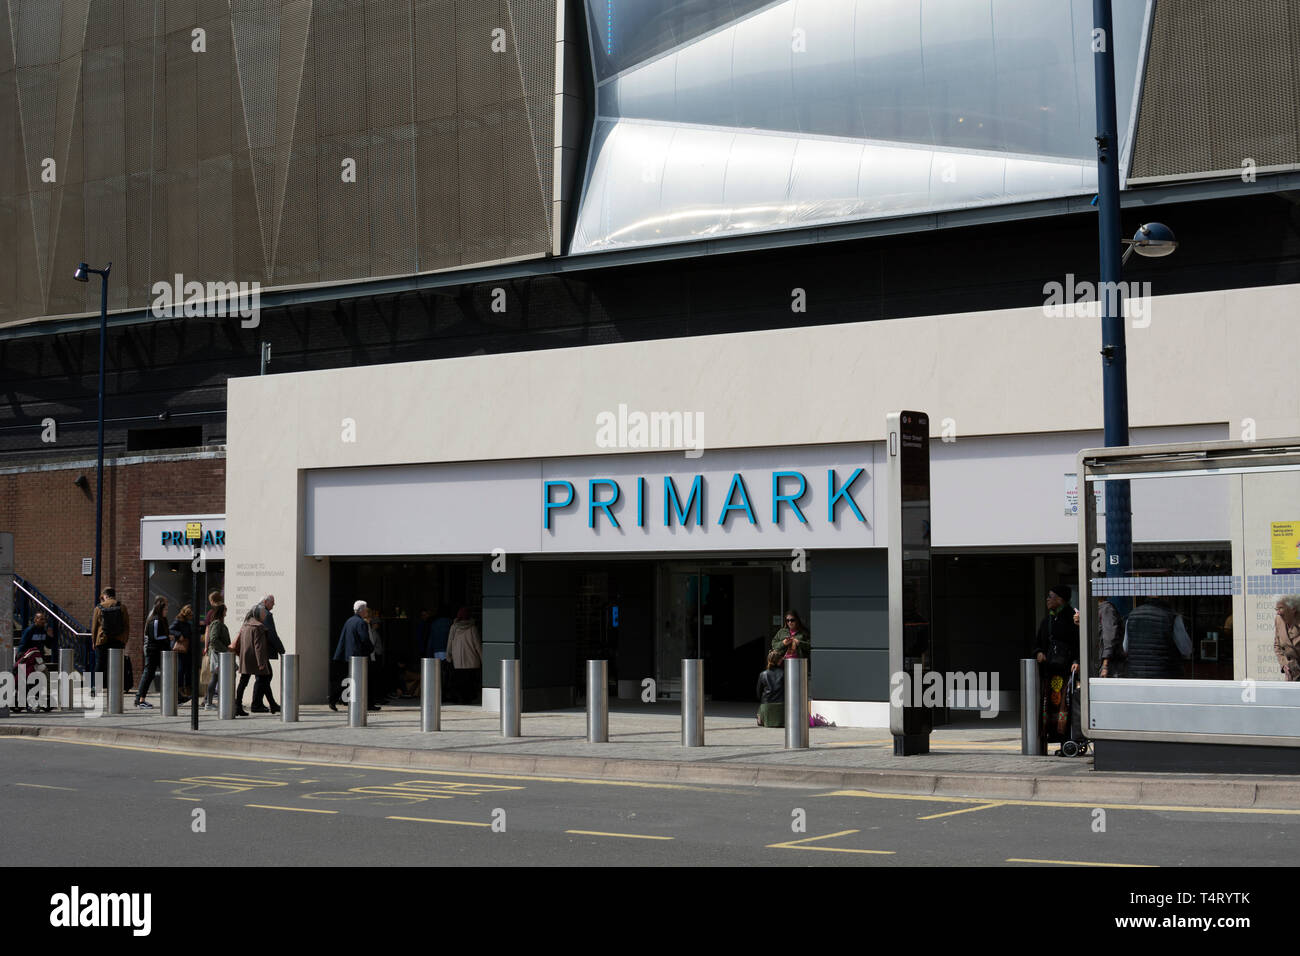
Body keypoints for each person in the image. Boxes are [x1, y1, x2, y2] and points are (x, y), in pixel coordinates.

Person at [1122, 595, 1191, 679]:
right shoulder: (1173, 616)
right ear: (1166, 597)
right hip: (1165, 676)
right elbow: (1186, 649)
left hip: (1136, 676)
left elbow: (1125, 648)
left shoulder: (1131, 616)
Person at [230, 605, 276, 717]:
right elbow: (258, 646)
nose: (264, 617)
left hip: (245, 657)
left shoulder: (245, 624)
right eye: (264, 615)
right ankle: (272, 705)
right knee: (265, 680)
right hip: (256, 658)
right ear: (259, 615)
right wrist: (261, 663)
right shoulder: (258, 627)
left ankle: (237, 706)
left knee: (243, 682)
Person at [332, 600, 378, 711]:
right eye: (366, 609)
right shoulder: (361, 623)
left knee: (349, 679)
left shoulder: (349, 621)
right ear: (362, 610)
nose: (367, 611)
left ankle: (333, 699)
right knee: (367, 679)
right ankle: (369, 704)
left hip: (349, 656)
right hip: (359, 657)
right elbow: (364, 639)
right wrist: (371, 649)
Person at [91, 587, 130, 696]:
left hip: (102, 639)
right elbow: (127, 625)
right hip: (118, 640)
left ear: (105, 595)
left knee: (100, 664)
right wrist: (124, 640)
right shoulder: (122, 607)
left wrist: (94, 641)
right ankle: (117, 687)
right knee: (117, 665)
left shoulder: (98, 607)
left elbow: (94, 627)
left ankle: (96, 687)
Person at [1076, 598, 1124, 677]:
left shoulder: (1106, 609)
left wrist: (1105, 665)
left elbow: (1109, 638)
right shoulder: (1096, 609)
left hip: (1108, 665)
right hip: (1097, 663)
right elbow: (1094, 635)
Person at [135, 597, 168, 709]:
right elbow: (155, 637)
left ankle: (140, 698)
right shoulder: (155, 620)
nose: (166, 611)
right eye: (165, 609)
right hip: (153, 651)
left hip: (156, 650)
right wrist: (168, 637)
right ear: (160, 609)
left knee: (153, 673)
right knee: (148, 673)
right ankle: (140, 699)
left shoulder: (159, 620)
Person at [445, 607, 482, 704]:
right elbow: (477, 645)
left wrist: (448, 656)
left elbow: (449, 642)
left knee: (458, 681)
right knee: (470, 681)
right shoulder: (472, 628)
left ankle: (460, 698)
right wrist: (483, 658)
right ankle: (468, 698)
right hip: (471, 660)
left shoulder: (454, 627)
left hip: (458, 661)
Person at [256, 595, 285, 709]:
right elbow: (271, 634)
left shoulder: (256, 611)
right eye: (272, 602)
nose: (274, 604)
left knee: (262, 677)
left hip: (258, 650)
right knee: (266, 676)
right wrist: (281, 650)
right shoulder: (265, 614)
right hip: (262, 650)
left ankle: (257, 703)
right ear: (265, 602)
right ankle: (262, 703)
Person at [203, 604, 231, 709]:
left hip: (220, 654)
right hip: (218, 655)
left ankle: (210, 702)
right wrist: (225, 649)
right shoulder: (216, 623)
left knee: (216, 678)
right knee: (215, 678)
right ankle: (208, 702)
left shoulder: (218, 623)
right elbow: (213, 639)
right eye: (225, 611)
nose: (226, 613)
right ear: (221, 612)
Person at [169, 604, 195, 701]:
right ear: (185, 615)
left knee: (188, 669)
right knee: (180, 669)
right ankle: (179, 690)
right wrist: (179, 634)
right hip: (181, 648)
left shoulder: (189, 622)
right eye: (190, 616)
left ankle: (188, 690)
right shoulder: (178, 621)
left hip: (188, 648)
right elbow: (170, 629)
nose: (191, 617)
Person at [1272, 595, 1300, 681]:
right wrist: (1284, 664)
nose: (1278, 612)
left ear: (1293, 609)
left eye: (1281, 608)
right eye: (1277, 609)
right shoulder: (1278, 620)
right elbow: (1277, 646)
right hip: (1292, 674)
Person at [756, 649, 785, 727]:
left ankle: (761, 718)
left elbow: (758, 694)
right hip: (781, 706)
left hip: (767, 705)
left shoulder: (763, 674)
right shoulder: (784, 673)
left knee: (760, 709)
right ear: (779, 661)